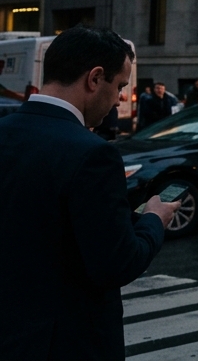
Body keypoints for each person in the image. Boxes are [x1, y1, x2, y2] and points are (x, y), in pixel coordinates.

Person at [0, 26, 181, 358]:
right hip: (66, 343)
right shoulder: (93, 154)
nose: (121, 98)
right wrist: (154, 219)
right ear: (95, 79)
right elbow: (117, 263)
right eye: (120, 86)